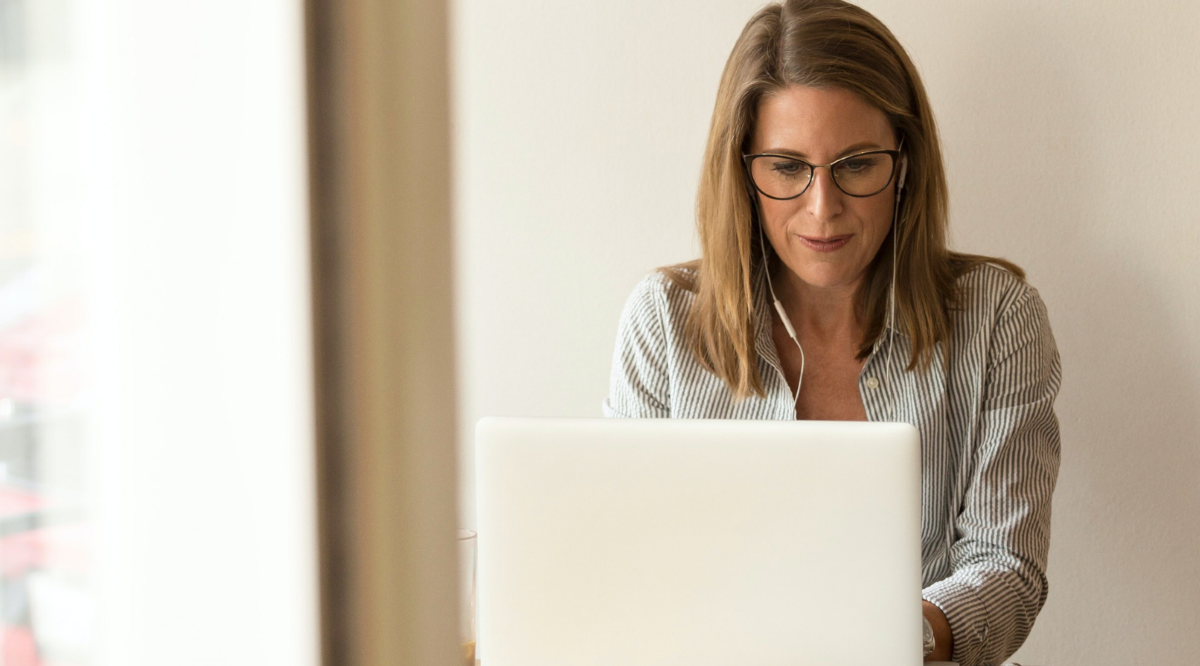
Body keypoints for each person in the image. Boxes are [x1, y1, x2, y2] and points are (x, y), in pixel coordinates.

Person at [602, 1, 1062, 664]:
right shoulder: (663, 321)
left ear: (904, 161)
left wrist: (906, 635)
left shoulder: (997, 317)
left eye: (856, 164)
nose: (823, 209)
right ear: (742, 171)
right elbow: (627, 562)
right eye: (787, 168)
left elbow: (1008, 568)